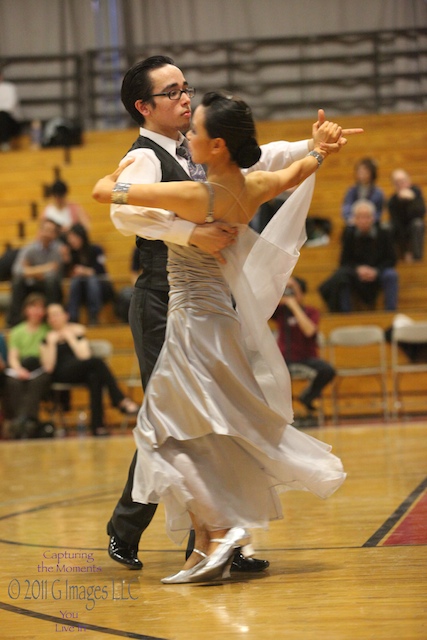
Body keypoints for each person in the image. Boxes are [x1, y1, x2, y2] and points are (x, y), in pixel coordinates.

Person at [100, 55, 359, 575]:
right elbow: (120, 211)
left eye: (185, 88)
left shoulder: (203, 152)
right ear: (143, 107)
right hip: (162, 302)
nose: (185, 98)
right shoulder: (147, 156)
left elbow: (263, 159)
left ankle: (216, 540)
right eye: (171, 92)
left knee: (195, 422)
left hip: (211, 304)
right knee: (185, 422)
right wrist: (187, 232)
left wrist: (312, 146)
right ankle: (171, 534)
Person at [40, 304, 140, 436]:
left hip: (79, 370)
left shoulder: (77, 332)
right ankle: (119, 400)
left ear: (66, 315)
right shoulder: (46, 338)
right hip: (59, 374)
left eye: (57, 314)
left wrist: (70, 338)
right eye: (50, 315)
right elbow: (49, 367)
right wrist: (52, 343)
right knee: (97, 362)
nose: (54, 318)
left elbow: (84, 356)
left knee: (95, 377)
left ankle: (97, 427)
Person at [319, 199, 399, 312]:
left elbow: (391, 259)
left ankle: (390, 312)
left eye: (366, 216)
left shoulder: (384, 233)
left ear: (373, 218)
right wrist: (358, 269)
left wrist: (376, 271)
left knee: (391, 275)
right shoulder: (349, 234)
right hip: (356, 273)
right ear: (354, 219)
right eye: (359, 217)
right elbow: (344, 261)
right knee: (341, 277)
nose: (363, 220)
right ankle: (345, 315)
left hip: (379, 271)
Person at [273, 276, 335, 415]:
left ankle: (307, 396)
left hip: (306, 358)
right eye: (286, 290)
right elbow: (261, 307)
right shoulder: (279, 311)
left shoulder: (311, 311)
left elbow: (309, 331)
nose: (289, 293)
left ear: (302, 293)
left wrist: (294, 306)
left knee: (327, 370)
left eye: (293, 290)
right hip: (284, 359)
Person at [4, 293, 51, 439]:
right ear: (26, 310)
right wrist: (18, 369)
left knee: (37, 381)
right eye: (33, 307)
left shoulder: (47, 329)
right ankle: (27, 422)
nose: (37, 311)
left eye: (40, 307)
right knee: (12, 382)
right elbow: (13, 356)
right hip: (23, 367)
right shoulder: (17, 331)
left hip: (40, 368)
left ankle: (23, 421)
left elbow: (48, 360)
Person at [7, 219, 64, 327]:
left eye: (51, 231)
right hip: (31, 283)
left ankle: (51, 319)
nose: (48, 234)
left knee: (52, 281)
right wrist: (43, 269)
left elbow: (55, 272)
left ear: (55, 234)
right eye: (46, 230)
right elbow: (17, 270)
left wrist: (29, 270)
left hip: (48, 284)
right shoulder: (29, 248)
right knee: (17, 282)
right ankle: (15, 322)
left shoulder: (58, 249)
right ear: (40, 231)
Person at [64, 223, 113, 325]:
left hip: (100, 286)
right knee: (76, 281)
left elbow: (102, 270)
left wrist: (86, 271)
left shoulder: (96, 249)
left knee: (91, 279)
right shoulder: (71, 253)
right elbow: (67, 274)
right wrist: (66, 261)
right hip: (81, 288)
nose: (71, 240)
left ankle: (94, 316)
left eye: (74, 237)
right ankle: (73, 317)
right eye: (70, 238)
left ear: (81, 236)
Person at [388, 168, 426, 263]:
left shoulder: (416, 192)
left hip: (414, 227)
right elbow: (397, 223)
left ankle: (417, 258)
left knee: (418, 224)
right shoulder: (393, 201)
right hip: (400, 230)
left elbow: (420, 213)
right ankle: (392, 259)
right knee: (388, 227)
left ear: (409, 181)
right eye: (397, 182)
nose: (401, 184)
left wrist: (411, 200)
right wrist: (406, 251)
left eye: (403, 181)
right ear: (394, 185)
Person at [342, 157, 385, 225]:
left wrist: (370, 220)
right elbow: (347, 207)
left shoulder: (378, 192)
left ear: (371, 173)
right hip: (354, 223)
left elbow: (379, 211)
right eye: (359, 171)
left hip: (372, 224)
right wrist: (351, 219)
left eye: (365, 172)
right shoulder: (351, 191)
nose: (362, 174)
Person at [0, 66, 21, 151]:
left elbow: (10, 105)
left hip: (10, 121)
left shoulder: (9, 87)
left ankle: (5, 142)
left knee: (3, 115)